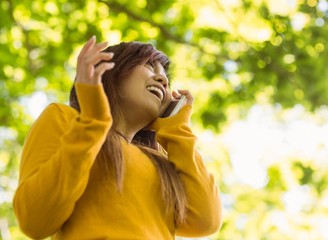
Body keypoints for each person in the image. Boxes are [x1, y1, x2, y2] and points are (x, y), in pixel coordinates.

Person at [13, 36, 222, 239]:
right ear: (111, 69)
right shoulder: (66, 119)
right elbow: (35, 219)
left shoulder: (162, 164)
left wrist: (177, 128)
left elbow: (206, 221)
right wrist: (92, 123)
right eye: (149, 66)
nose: (163, 79)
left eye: (165, 76)